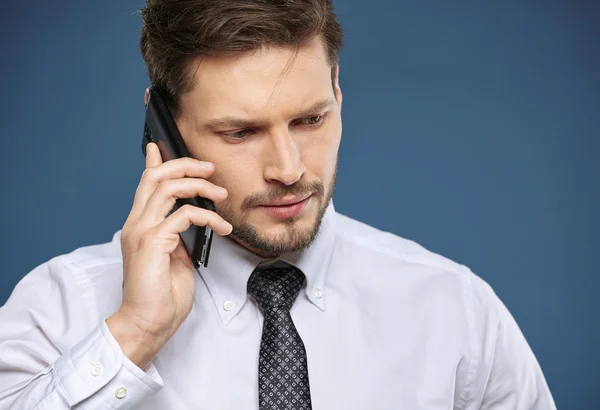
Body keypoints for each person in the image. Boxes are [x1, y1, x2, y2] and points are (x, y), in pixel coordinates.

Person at [0, 1, 556, 409]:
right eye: (241, 132)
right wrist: (133, 335)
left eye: (311, 119)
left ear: (338, 93)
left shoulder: (454, 311)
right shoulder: (61, 308)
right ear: (163, 131)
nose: (289, 169)